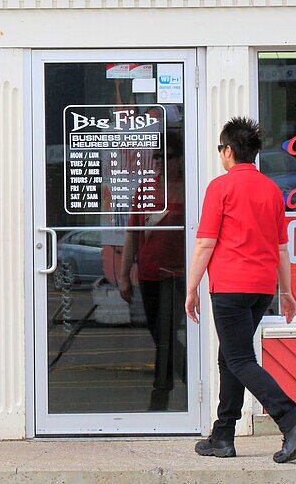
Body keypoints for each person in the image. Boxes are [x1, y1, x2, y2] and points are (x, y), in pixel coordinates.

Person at [185, 117, 296, 463]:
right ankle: (223, 436)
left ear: (228, 151)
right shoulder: (271, 190)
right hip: (261, 288)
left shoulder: (221, 187)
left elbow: (204, 243)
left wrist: (191, 287)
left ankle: (292, 422)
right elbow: (282, 248)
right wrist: (286, 292)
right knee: (230, 357)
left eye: (220, 149)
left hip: (229, 286)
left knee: (240, 359)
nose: (220, 155)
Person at [119, 134, 186, 411]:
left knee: (166, 336)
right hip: (148, 274)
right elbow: (132, 234)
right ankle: (194, 376)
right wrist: (125, 275)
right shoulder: (146, 189)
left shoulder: (187, 188)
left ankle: (160, 397)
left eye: (166, 156)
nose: (160, 162)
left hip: (176, 274)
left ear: (180, 159)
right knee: (160, 336)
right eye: (157, 157)